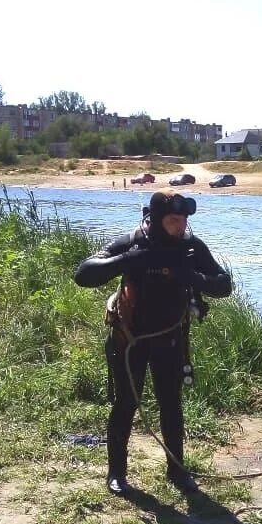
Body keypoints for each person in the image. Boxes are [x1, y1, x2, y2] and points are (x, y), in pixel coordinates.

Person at [74, 190, 232, 496]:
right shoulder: (133, 242)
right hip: (128, 338)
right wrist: (127, 260)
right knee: (125, 405)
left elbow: (223, 285)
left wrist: (193, 277)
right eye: (175, 219)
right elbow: (83, 274)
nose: (181, 225)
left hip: (170, 340)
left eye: (185, 219)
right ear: (158, 219)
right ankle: (116, 473)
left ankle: (177, 470)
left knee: (171, 404)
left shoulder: (190, 247)